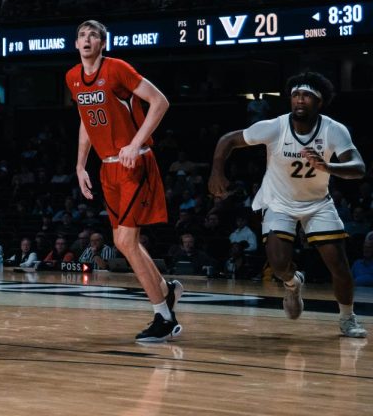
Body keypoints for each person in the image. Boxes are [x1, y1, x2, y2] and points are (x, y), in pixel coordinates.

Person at [209, 71, 367, 338]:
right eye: (295, 95)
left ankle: (347, 318)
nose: (300, 100)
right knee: (279, 265)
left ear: (320, 102)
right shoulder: (275, 126)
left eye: (306, 95)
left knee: (338, 265)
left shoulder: (333, 129)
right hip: (279, 201)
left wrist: (328, 166)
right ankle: (294, 284)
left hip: (317, 203)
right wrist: (217, 172)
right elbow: (229, 140)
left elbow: (359, 167)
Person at [66, 20, 183, 343]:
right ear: (76, 44)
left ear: (104, 43)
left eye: (93, 35)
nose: (87, 39)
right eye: (82, 35)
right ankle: (166, 290)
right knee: (122, 242)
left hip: (135, 162)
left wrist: (135, 144)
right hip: (107, 167)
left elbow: (160, 102)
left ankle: (164, 316)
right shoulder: (73, 77)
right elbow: (86, 121)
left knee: (126, 243)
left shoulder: (117, 69)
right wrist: (79, 165)